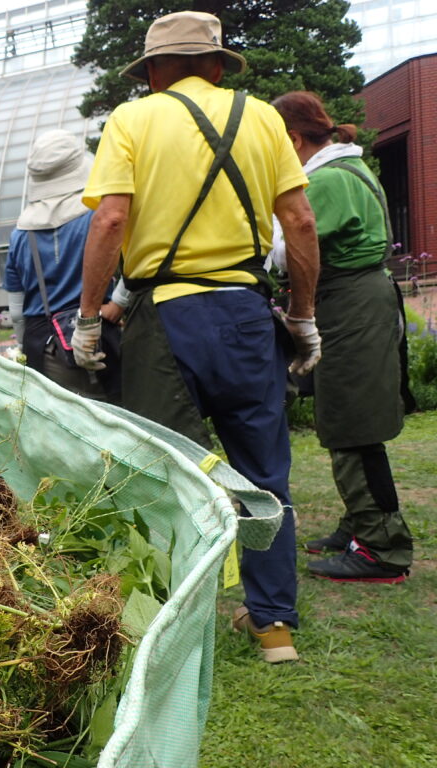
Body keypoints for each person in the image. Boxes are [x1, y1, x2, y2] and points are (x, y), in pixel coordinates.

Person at [70, 11, 323, 663]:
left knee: (163, 475)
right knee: (264, 475)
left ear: (153, 73)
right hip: (245, 314)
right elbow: (299, 221)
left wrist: (90, 317)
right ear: (216, 65)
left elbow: (111, 221)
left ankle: (170, 624)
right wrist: (302, 317)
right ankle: (274, 627)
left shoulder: (133, 120)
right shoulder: (262, 118)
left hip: (165, 320)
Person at [270, 91, 413, 583]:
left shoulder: (329, 179)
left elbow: (289, 248)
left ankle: (381, 549)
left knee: (354, 424)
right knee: (346, 416)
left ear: (293, 139)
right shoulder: (348, 169)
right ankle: (358, 526)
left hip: (352, 304)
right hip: (354, 301)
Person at [2, 129, 122, 401]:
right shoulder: (99, 218)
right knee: (117, 417)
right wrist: (119, 304)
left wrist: (23, 348)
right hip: (100, 338)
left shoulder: (20, 234)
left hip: (43, 348)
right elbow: (135, 269)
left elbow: (17, 312)